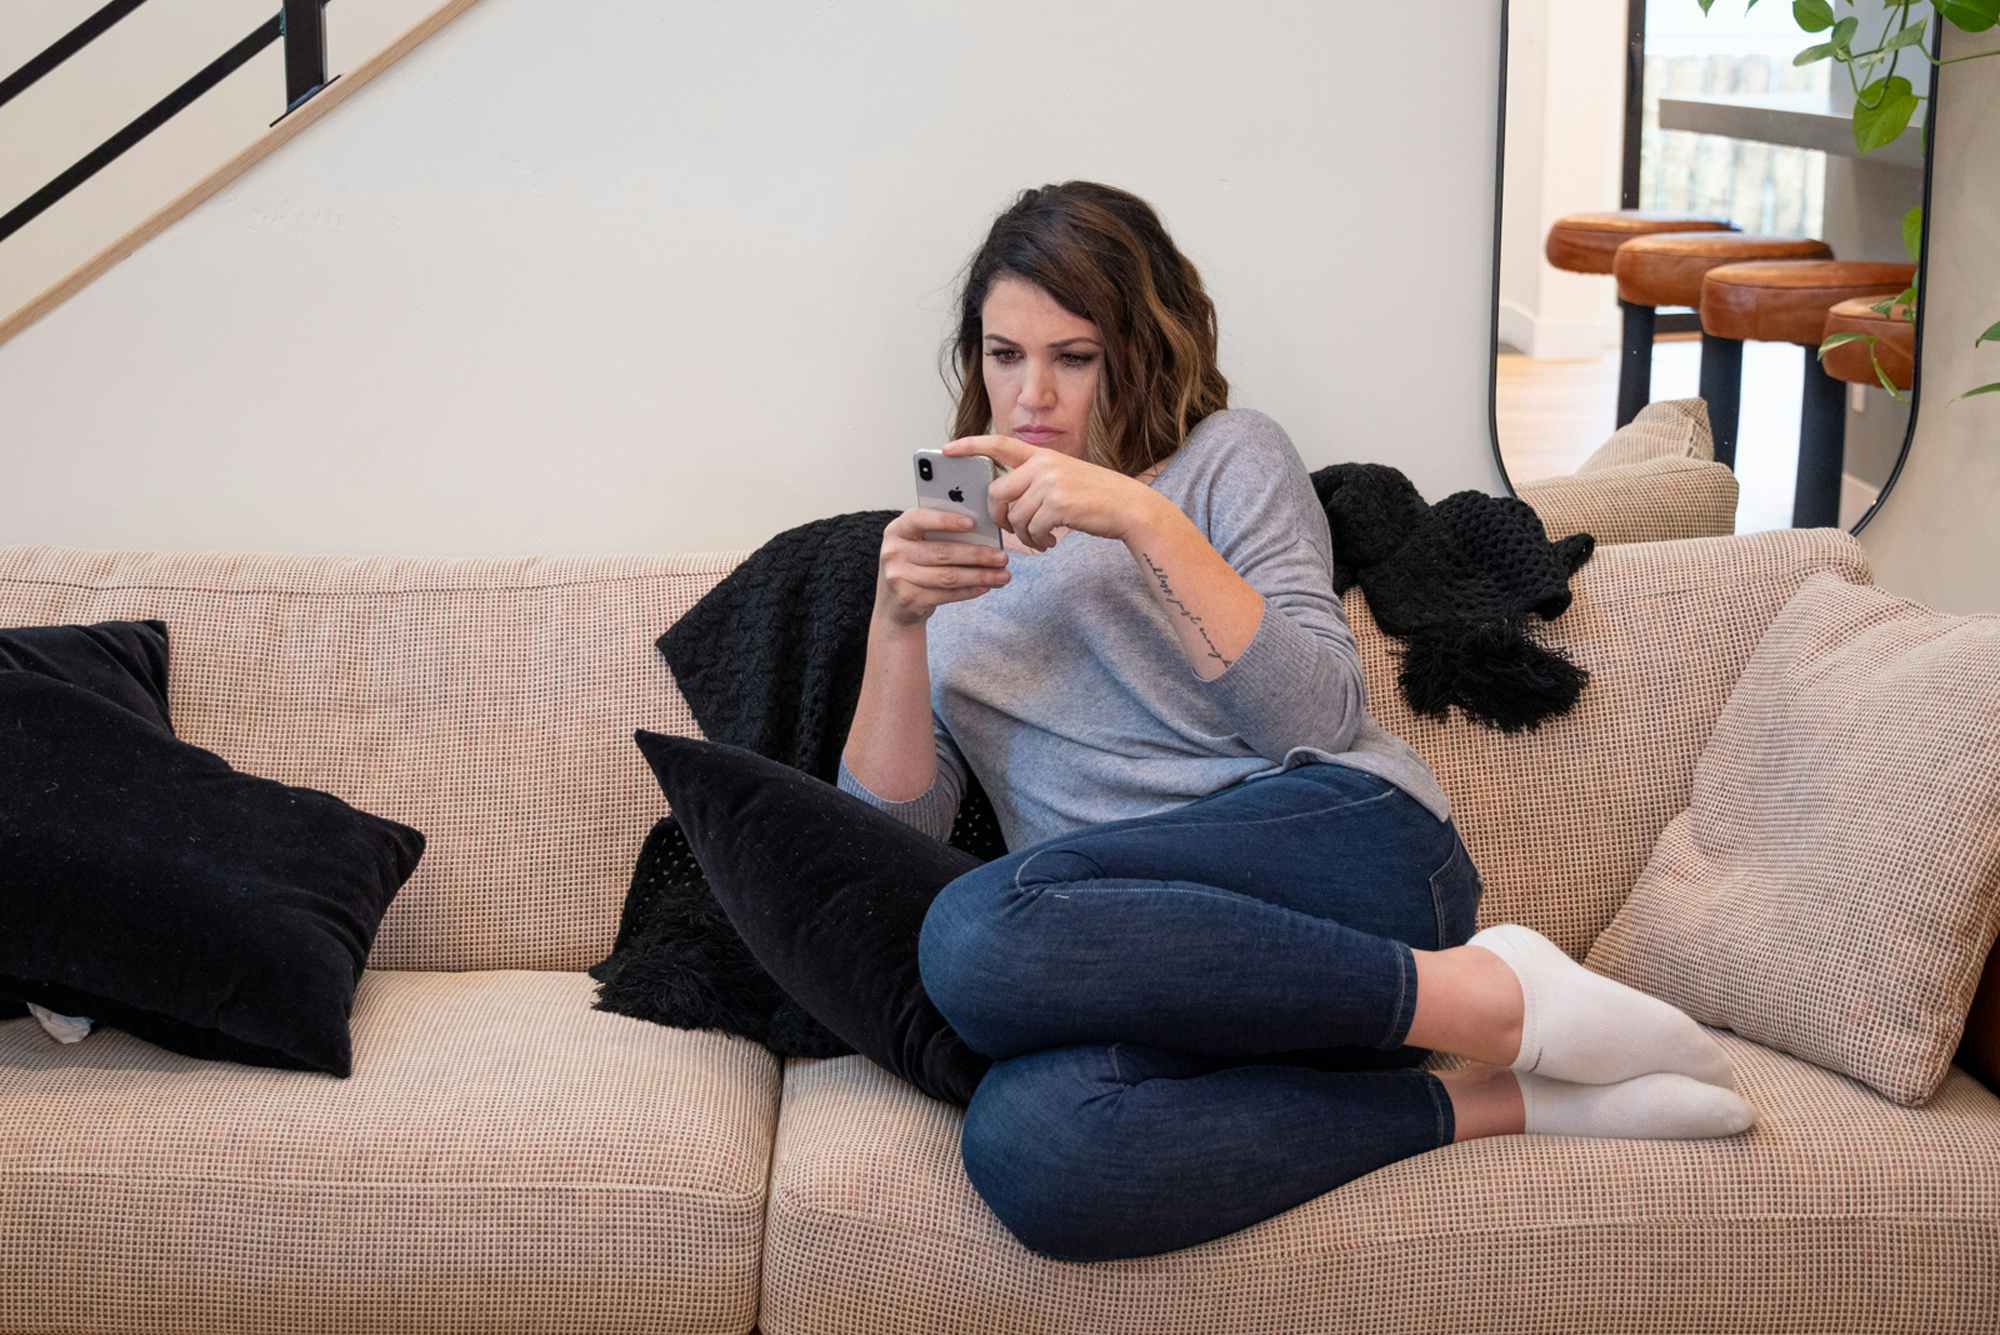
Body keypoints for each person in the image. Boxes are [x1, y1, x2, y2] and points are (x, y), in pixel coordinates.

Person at [836, 181, 1755, 1265]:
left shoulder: (1229, 456)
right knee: (1031, 1144)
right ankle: (1499, 1092)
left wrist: (1140, 517)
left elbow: (1313, 713)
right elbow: (892, 835)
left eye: (1072, 357)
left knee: (973, 933)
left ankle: (1481, 991)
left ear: (1139, 347)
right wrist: (895, 627)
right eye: (1002, 355)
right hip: (1182, 973)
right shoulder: (953, 557)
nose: (1030, 394)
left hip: (1347, 857)